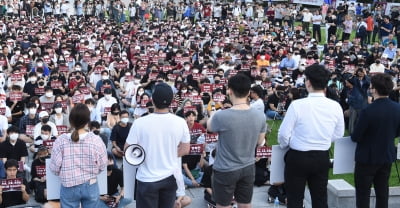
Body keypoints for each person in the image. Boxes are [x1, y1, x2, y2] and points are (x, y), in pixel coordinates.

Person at [278, 64, 345, 208]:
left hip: (298, 156)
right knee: (320, 199)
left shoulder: (297, 105)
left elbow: (283, 134)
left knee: (295, 199)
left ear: (308, 83)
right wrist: (323, 140)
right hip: (321, 157)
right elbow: (338, 134)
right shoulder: (335, 106)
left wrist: (288, 144)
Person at [124, 82, 190, 208]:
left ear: (152, 100)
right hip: (170, 177)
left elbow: (128, 150)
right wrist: (169, 154)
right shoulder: (181, 122)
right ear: (171, 102)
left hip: (146, 179)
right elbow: (185, 149)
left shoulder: (139, 123)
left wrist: (145, 155)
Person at [207, 73, 267, 208]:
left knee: (223, 205)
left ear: (230, 90)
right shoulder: (260, 116)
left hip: (225, 169)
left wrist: (212, 114)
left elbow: (210, 126)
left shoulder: (221, 115)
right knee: (245, 204)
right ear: (249, 92)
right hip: (248, 166)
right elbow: (260, 141)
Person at [351, 73, 400, 208]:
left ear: (374, 89)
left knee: (362, 194)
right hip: (386, 156)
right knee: (383, 192)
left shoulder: (368, 111)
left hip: (367, 158)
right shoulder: (397, 108)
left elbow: (356, 136)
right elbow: (397, 132)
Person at [49, 103, 108, 208]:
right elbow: (103, 165)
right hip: (91, 184)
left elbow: (54, 168)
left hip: (69, 185)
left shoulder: (61, 140)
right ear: (87, 121)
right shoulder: (96, 139)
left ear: (71, 120)